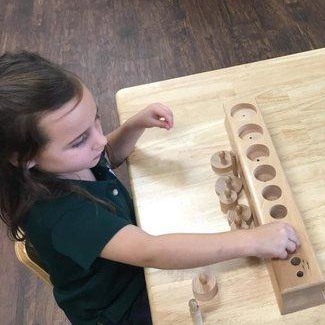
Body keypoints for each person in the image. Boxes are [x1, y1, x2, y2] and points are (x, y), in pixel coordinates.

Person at [0, 51, 300, 324]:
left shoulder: (65, 161)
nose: (99, 140)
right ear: (23, 158)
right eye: (79, 140)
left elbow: (108, 155)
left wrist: (134, 126)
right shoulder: (62, 218)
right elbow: (151, 252)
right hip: (119, 308)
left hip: (131, 268)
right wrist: (249, 240)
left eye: (96, 121)